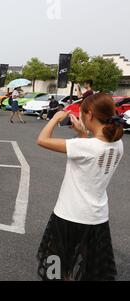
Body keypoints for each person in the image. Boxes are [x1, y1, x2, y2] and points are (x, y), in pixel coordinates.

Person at [36, 93, 125, 281]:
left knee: (57, 265)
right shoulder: (118, 144)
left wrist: (55, 118)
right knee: (88, 266)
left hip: (70, 215)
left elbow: (42, 140)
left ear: (90, 114)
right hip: (97, 217)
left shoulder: (87, 147)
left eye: (83, 113)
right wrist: (83, 134)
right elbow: (92, 156)